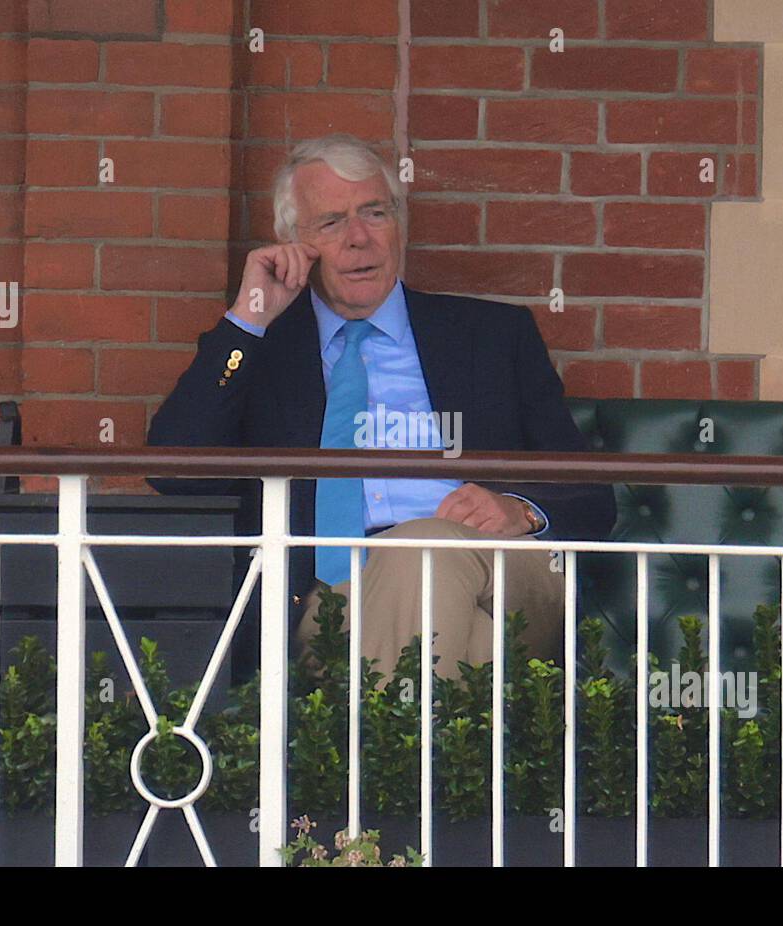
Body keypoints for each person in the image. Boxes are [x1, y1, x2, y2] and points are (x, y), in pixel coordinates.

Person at [147, 134, 615, 677]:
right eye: (331, 223)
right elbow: (173, 470)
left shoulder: (491, 335)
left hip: (501, 572)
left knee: (426, 548)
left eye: (375, 212)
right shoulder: (265, 351)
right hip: (332, 598)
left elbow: (590, 492)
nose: (359, 239)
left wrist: (521, 509)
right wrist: (249, 318)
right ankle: (436, 754)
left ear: (399, 223)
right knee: (473, 645)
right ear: (294, 244)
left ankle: (378, 755)